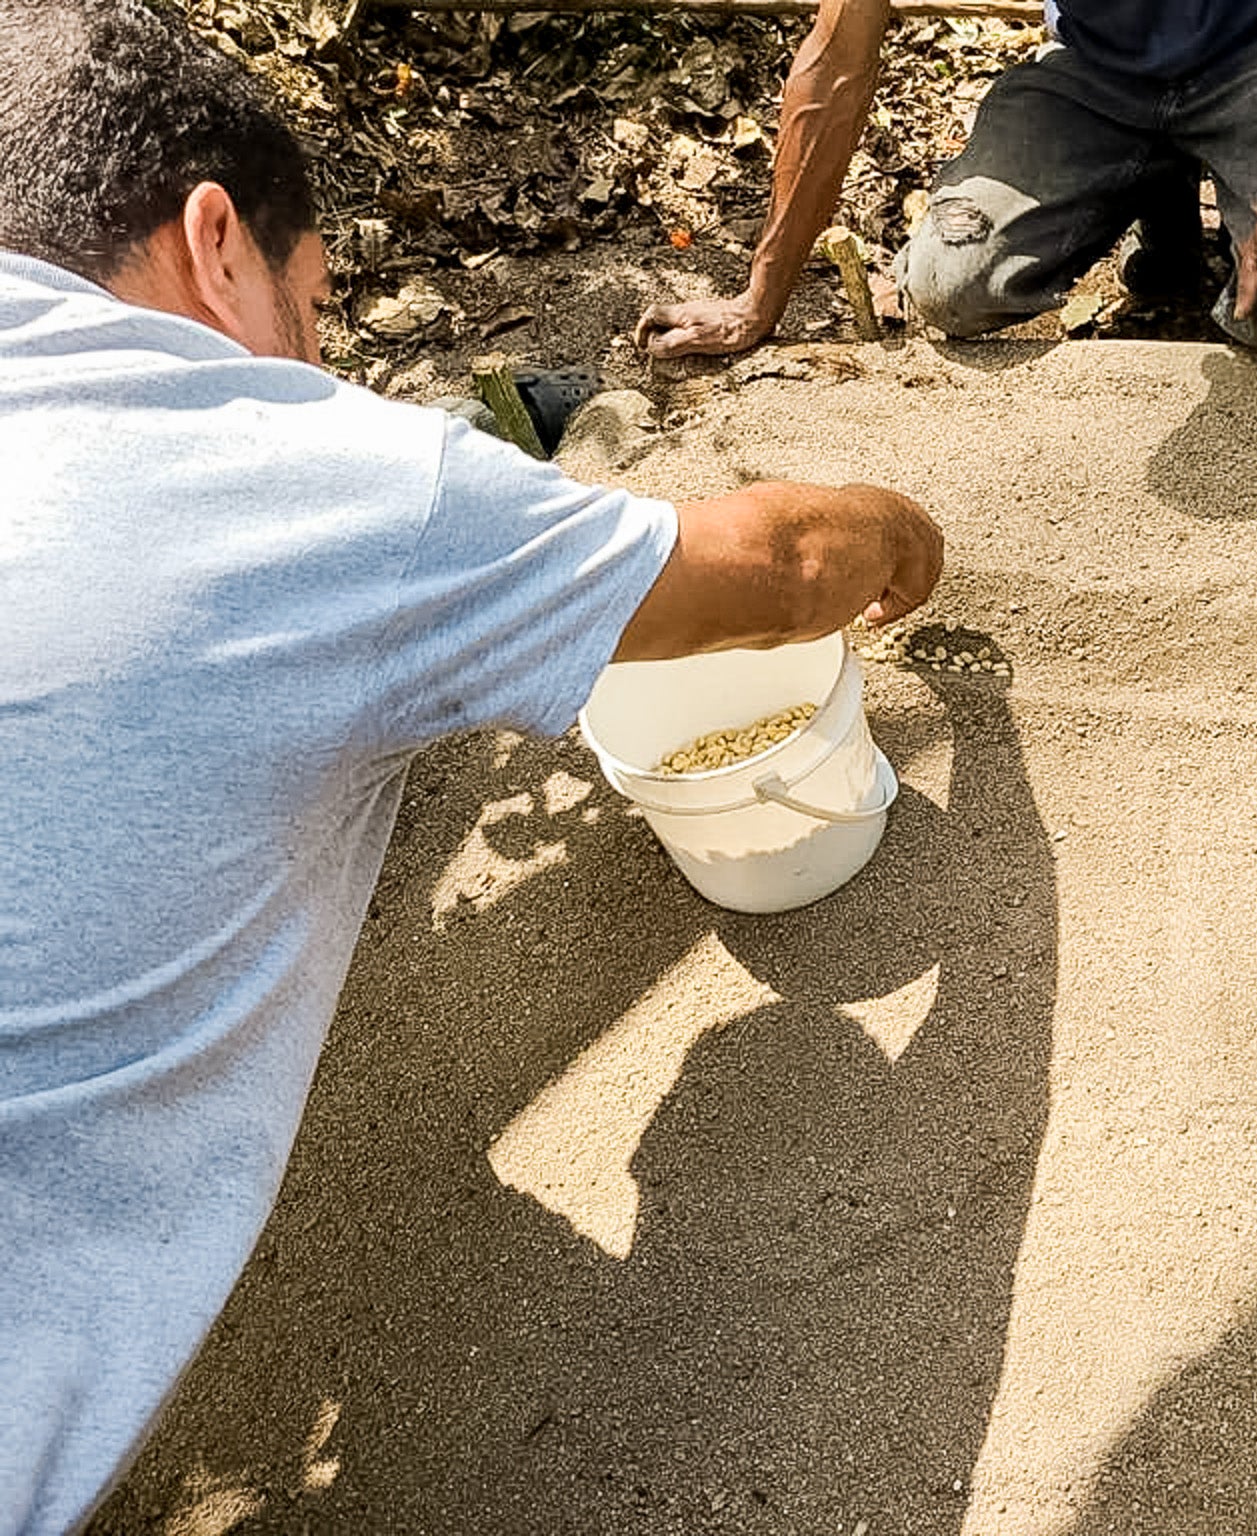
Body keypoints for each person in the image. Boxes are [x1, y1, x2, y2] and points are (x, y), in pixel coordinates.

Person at [0, 5, 942, 1533]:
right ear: (215, 236)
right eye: (312, 309)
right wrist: (906, 535)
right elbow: (780, 569)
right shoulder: (292, 479)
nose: (317, 363)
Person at [635, 0, 1257, 368]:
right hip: (1100, 69)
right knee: (950, 283)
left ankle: (1208, 191)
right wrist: (757, 298)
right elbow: (836, 64)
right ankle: (1156, 184)